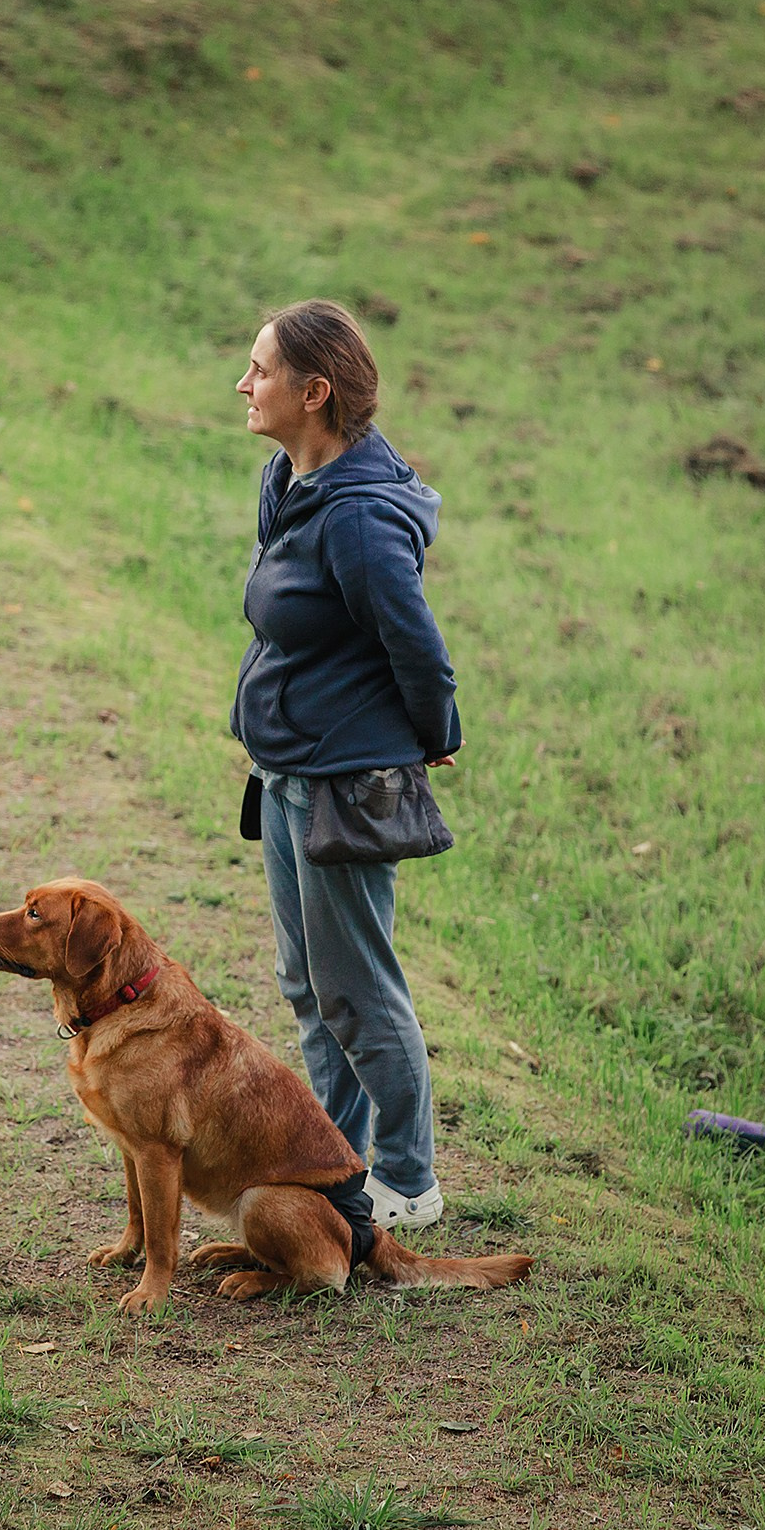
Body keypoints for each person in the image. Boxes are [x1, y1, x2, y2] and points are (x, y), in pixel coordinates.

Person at [231, 300, 461, 1230]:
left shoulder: (362, 517)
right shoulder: (287, 477)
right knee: (307, 985)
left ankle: (409, 1180)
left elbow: (420, 650)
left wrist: (430, 730)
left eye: (261, 370)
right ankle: (335, 1165)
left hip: (345, 784)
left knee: (358, 988)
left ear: (314, 391)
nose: (246, 385)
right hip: (287, 770)